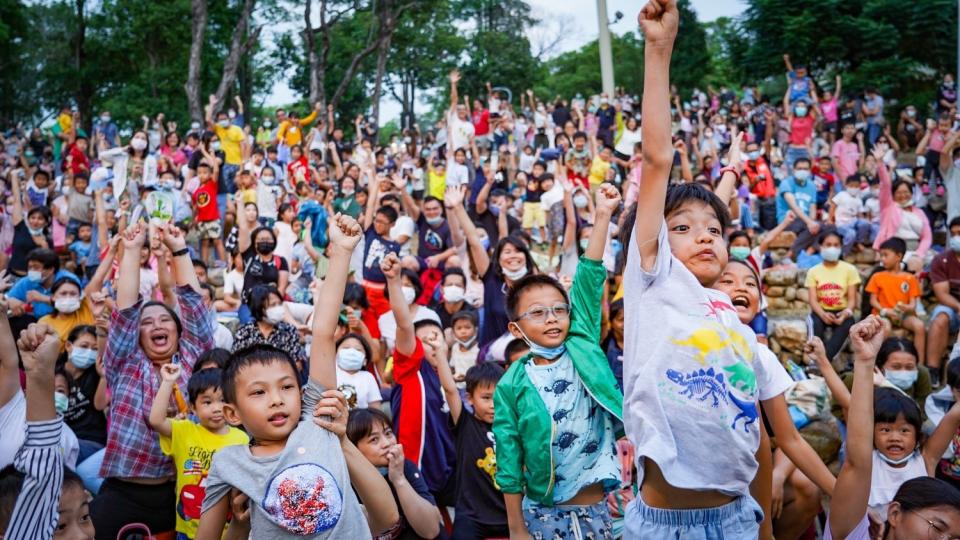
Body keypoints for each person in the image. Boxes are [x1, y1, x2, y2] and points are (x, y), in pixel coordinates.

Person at [624, 2, 765, 534]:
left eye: (714, 230)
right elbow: (659, 160)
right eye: (680, 228)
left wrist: (728, 172)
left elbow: (710, 212)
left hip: (736, 518)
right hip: (666, 524)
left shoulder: (723, 305)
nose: (703, 236)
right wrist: (659, 51)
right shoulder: (654, 276)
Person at [195, 213, 399, 538]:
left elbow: (321, 331)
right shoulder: (228, 463)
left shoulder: (320, 423)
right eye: (258, 393)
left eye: (287, 387)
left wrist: (341, 252)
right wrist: (240, 523)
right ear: (232, 413)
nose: (277, 399)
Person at [494, 184, 623, 538]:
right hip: (544, 514)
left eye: (558, 310)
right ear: (516, 329)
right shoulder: (511, 384)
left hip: (596, 507)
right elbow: (508, 457)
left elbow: (589, 276)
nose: (551, 319)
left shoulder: (580, 342)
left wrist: (602, 215)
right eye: (537, 313)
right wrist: (516, 528)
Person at [90, 222, 212, 538]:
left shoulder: (190, 363)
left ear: (177, 331)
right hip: (123, 493)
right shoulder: (125, 364)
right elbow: (126, 310)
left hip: (176, 497)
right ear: (137, 335)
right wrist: (130, 251)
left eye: (164, 320)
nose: (157, 325)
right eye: (147, 323)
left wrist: (179, 250)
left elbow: (196, 312)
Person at [0, 322, 96, 540]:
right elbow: (43, 472)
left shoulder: (68, 437)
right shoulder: (11, 407)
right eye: (58, 526)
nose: (82, 536)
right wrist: (40, 372)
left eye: (85, 516)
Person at [380, 251, 457, 508]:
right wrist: (394, 281)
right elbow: (404, 326)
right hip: (416, 473)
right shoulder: (411, 370)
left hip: (448, 471)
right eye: (424, 339)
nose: (432, 341)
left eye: (436, 335)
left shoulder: (450, 382)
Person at [148, 365, 249, 539]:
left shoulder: (241, 439)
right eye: (207, 402)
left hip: (228, 531)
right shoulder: (184, 431)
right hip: (188, 531)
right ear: (192, 407)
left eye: (223, 400)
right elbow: (156, 420)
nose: (217, 408)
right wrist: (167, 382)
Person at [345, 408, 442, 539]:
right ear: (353, 449)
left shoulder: (404, 467)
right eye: (374, 439)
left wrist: (399, 479)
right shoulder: (346, 484)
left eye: (388, 433)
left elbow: (431, 530)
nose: (387, 443)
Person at [865, 238, 926, 359]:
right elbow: (873, 301)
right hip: (882, 314)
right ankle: (878, 363)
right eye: (881, 255)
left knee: (919, 326)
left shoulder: (910, 278)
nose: (882, 259)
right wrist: (885, 311)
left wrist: (906, 308)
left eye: (886, 255)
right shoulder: (877, 276)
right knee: (885, 328)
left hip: (902, 315)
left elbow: (913, 304)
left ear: (899, 256)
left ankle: (919, 364)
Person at [805, 230, 861, 360]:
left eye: (836, 245)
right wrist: (823, 314)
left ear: (841, 247)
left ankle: (823, 360)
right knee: (814, 322)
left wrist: (846, 313)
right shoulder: (813, 271)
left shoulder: (850, 270)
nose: (832, 248)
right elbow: (813, 300)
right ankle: (812, 357)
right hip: (821, 310)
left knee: (848, 324)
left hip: (842, 311)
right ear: (821, 247)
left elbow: (852, 300)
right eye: (828, 244)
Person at [233, 284, 307, 373]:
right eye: (273, 305)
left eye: (279, 304)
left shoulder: (288, 330)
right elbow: (236, 365)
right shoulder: (244, 333)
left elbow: (297, 365)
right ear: (259, 308)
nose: (278, 308)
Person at [925, 216, 960, 386]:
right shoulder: (941, 260)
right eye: (952, 234)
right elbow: (942, 293)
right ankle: (932, 371)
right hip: (951, 306)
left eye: (959, 233)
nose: (956, 238)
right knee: (940, 319)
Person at [776, 157, 819, 259]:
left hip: (805, 222)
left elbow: (813, 208)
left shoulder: (812, 186)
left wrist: (812, 222)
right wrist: (810, 222)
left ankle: (802, 254)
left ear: (809, 170)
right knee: (814, 227)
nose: (802, 171)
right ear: (794, 170)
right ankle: (791, 256)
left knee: (824, 227)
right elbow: (793, 206)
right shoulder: (786, 183)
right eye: (799, 168)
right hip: (788, 220)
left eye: (805, 169)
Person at [334, 332, 381, 410]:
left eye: (358, 349)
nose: (352, 352)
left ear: (365, 360)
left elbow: (375, 409)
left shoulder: (368, 377)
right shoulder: (330, 374)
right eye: (346, 348)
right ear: (336, 354)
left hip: (361, 421)